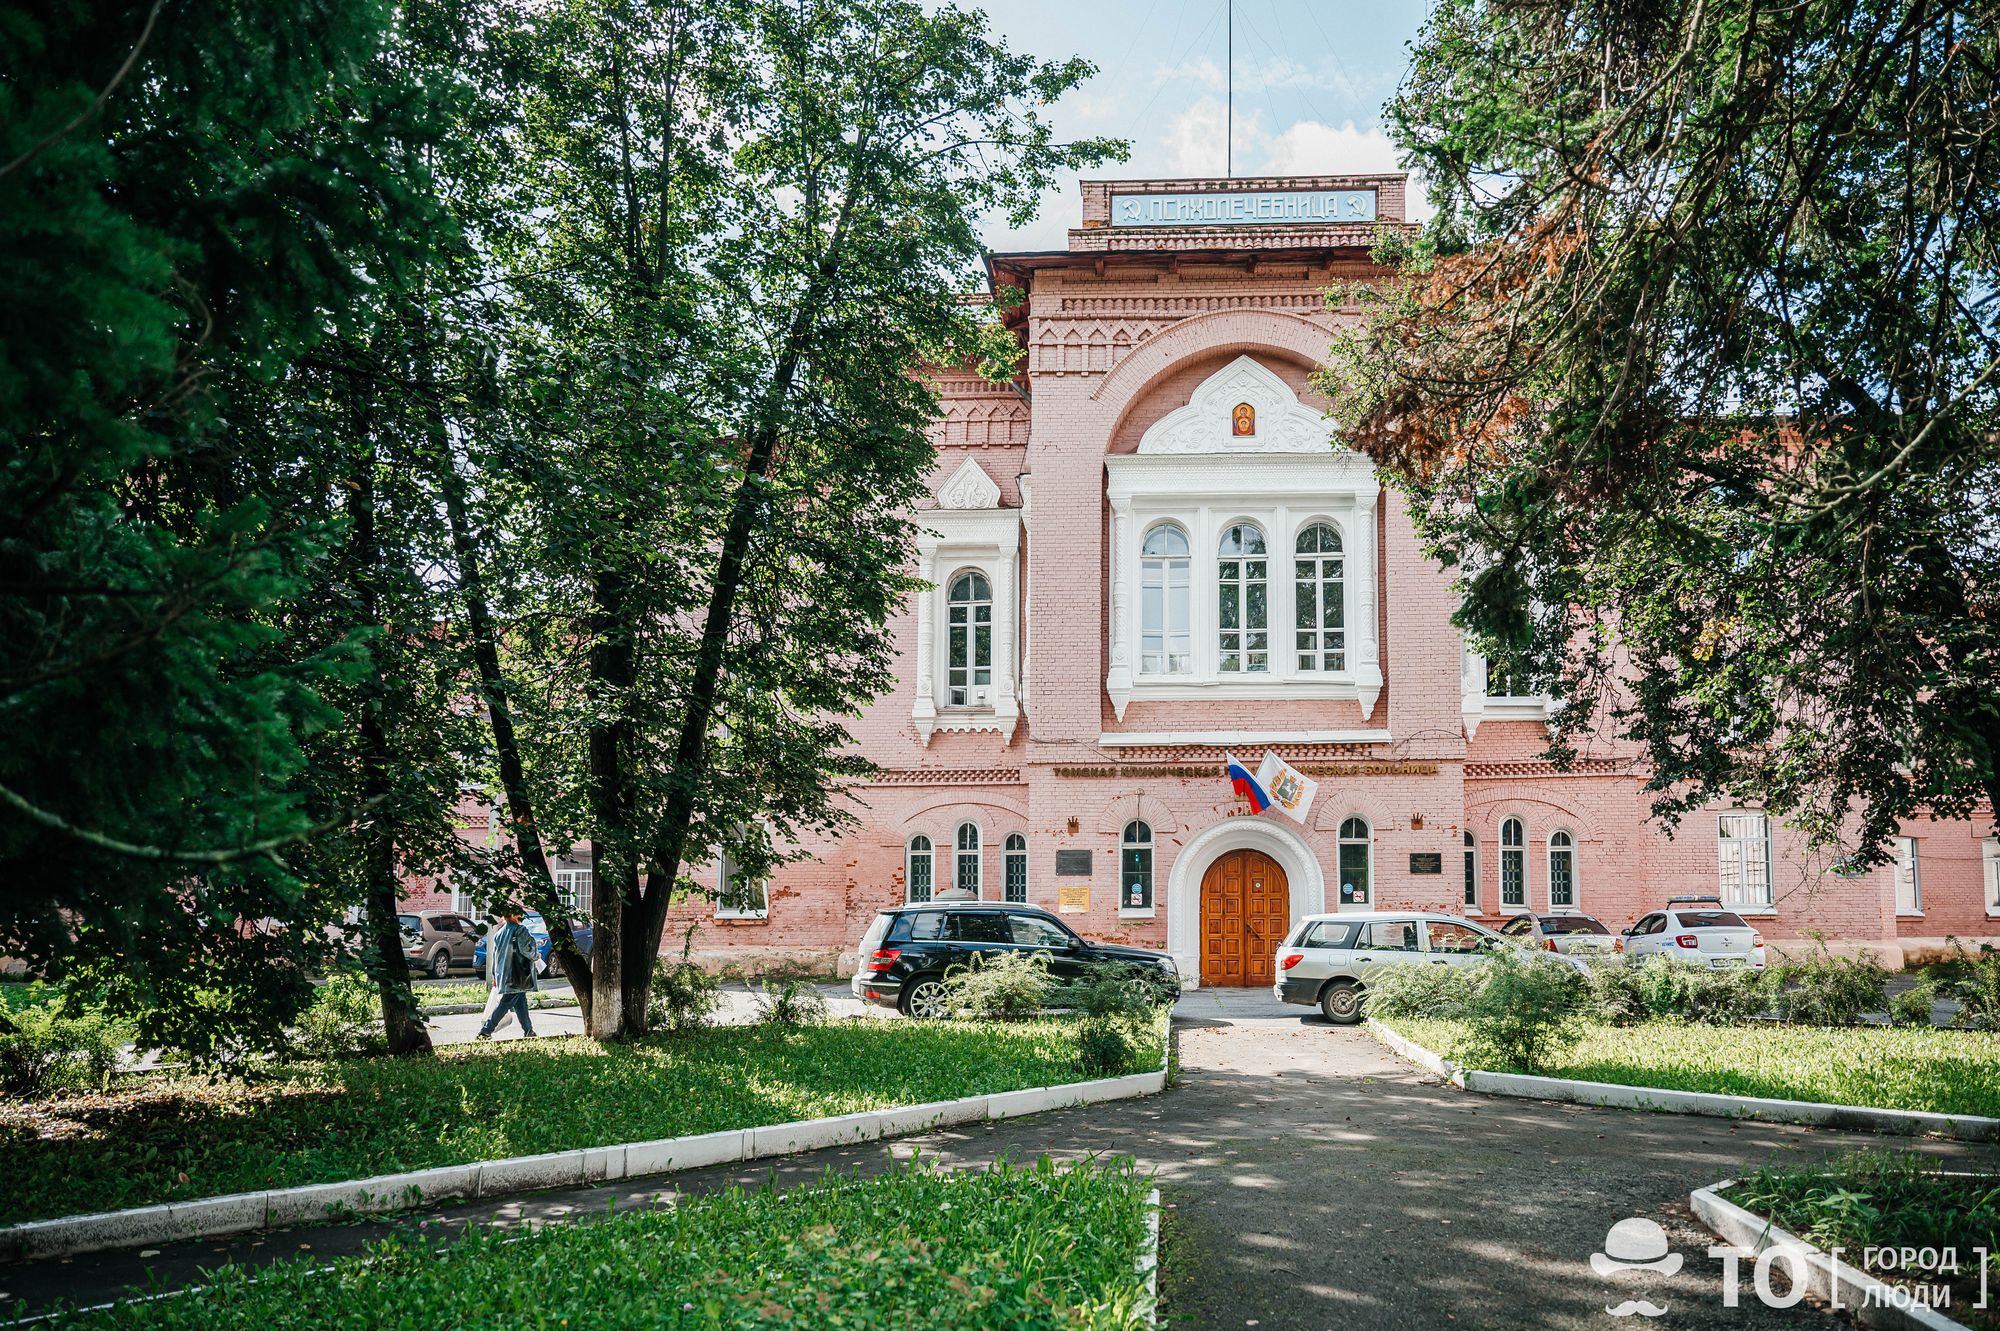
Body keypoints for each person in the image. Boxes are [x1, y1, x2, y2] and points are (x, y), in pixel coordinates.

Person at [476, 910, 539, 1040]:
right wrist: (535, 955)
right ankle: (485, 1031)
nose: (521, 915)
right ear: (513, 915)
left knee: (521, 1002)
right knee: (506, 1003)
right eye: (519, 913)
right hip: (517, 974)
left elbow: (495, 956)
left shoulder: (499, 933)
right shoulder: (520, 930)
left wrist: (495, 975)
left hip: (504, 974)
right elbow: (526, 950)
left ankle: (529, 1031)